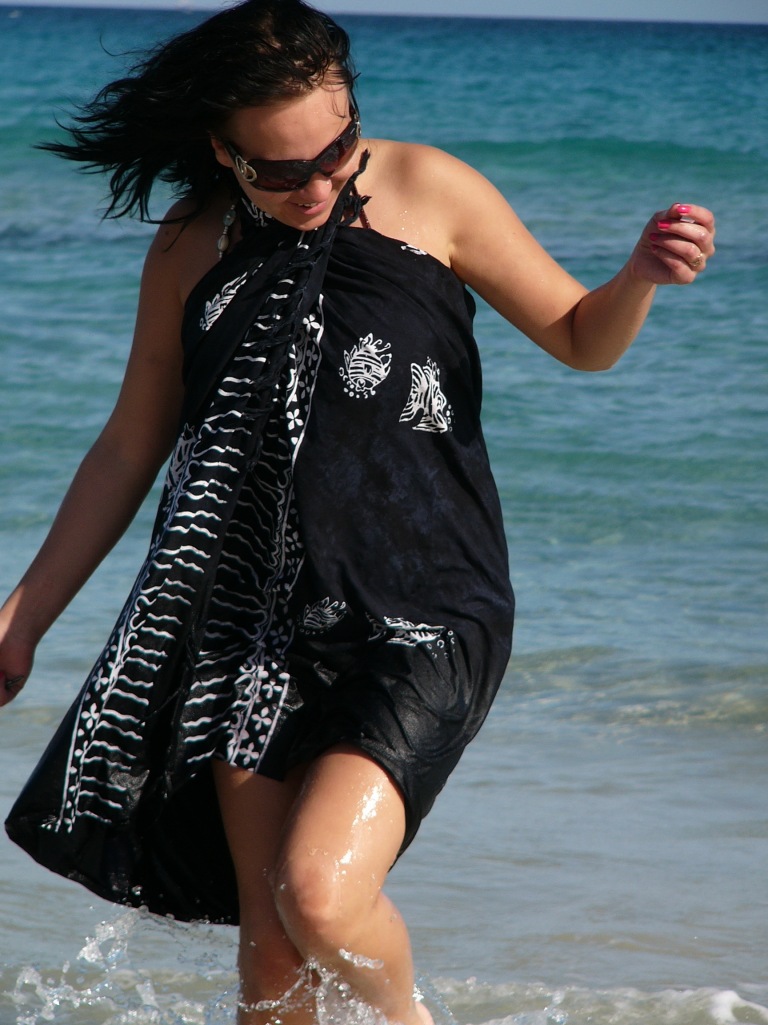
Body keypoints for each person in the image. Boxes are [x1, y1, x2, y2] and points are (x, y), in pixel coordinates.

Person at [0, 1, 715, 1023]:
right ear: (223, 152)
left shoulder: (431, 189)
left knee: (320, 897)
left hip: (427, 605)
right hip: (249, 621)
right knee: (270, 963)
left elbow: (580, 336)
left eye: (336, 152)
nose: (319, 185)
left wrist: (637, 277)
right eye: (280, 170)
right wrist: (21, 618)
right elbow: (128, 445)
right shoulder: (192, 242)